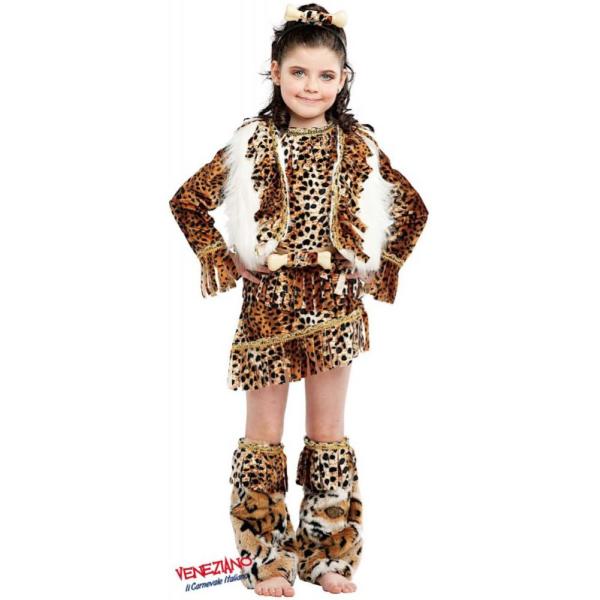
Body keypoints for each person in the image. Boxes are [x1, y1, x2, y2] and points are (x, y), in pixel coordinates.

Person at [168, 3, 428, 596]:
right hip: (269, 309)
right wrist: (223, 256)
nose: (312, 86)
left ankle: (326, 552)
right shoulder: (251, 142)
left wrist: (377, 267)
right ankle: (267, 555)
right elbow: (187, 201)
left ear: (343, 79)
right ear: (275, 72)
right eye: (299, 73)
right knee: (263, 432)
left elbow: (413, 209)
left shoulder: (358, 146)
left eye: (325, 75)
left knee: (327, 430)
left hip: (336, 308)